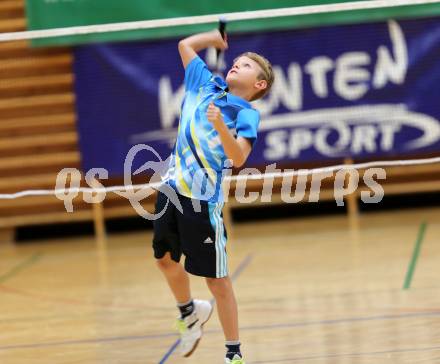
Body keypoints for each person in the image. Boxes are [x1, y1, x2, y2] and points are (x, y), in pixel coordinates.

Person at [152, 28, 274, 364]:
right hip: (171, 188)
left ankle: (233, 354)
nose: (236, 65)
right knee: (164, 259)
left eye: (246, 66)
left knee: (216, 281)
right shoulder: (203, 82)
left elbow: (238, 159)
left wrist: (220, 124)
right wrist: (213, 39)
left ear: (259, 84)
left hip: (202, 201)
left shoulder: (245, 113)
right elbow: (184, 45)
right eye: (235, 61)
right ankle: (189, 313)